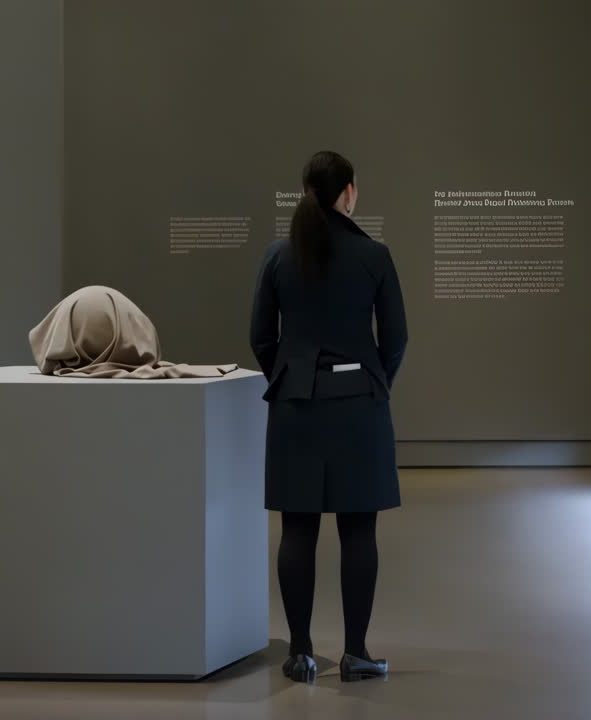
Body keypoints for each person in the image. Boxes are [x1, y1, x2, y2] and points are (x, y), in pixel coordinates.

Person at [249, 150, 408, 683]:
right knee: (359, 531)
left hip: (297, 406)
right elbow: (397, 338)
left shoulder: (278, 255)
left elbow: (261, 339)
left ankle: (300, 654)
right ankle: (357, 653)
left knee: (297, 531)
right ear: (348, 192)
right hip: (360, 407)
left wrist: (292, 375)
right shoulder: (374, 255)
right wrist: (372, 381)